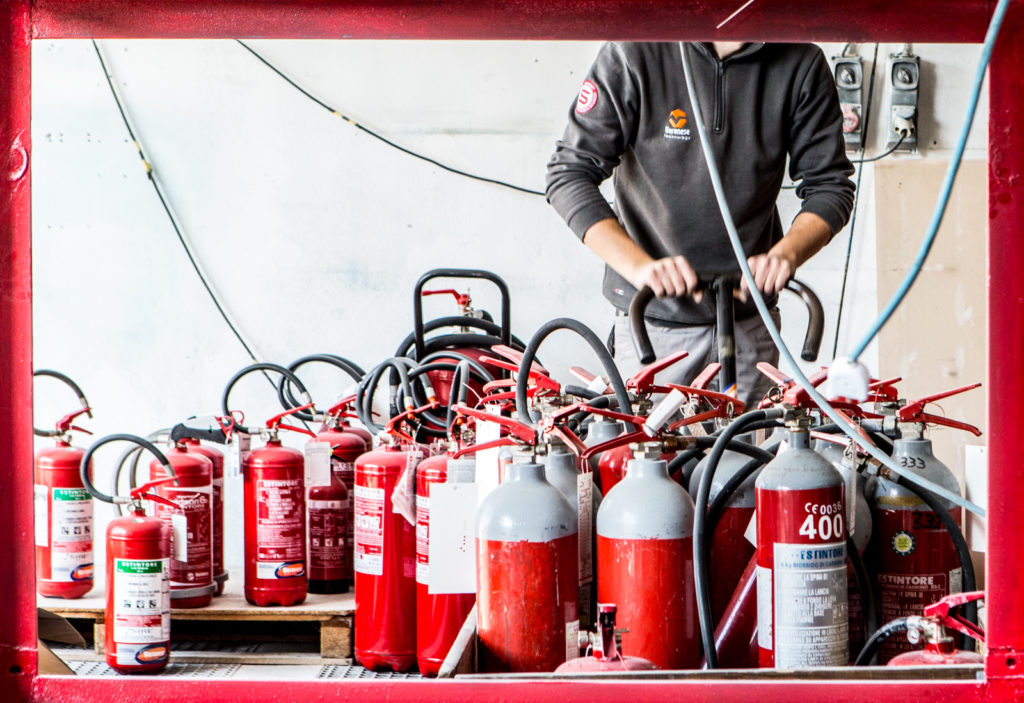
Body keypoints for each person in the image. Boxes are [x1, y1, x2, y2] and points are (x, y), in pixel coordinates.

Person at [546, 41, 855, 407]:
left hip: (748, 325)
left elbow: (830, 186)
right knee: (650, 460)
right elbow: (568, 175)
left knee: (745, 459)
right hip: (653, 327)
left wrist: (786, 255)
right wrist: (640, 268)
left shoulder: (800, 61)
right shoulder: (634, 52)